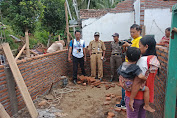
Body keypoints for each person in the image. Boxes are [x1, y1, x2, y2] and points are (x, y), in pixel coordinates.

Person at [125, 35, 160, 118]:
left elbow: (137, 81)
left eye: (140, 46)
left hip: (136, 95)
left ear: (146, 46)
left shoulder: (143, 61)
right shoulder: (154, 60)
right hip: (145, 97)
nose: (138, 48)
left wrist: (131, 99)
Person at [118, 47, 156, 113]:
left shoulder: (123, 64)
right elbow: (140, 76)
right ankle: (146, 105)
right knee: (146, 89)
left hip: (124, 84)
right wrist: (145, 78)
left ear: (126, 57)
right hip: (131, 86)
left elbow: (119, 72)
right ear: (139, 58)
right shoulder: (135, 67)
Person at [116, 24, 142, 108]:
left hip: (132, 66)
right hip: (128, 64)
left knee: (126, 84)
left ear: (139, 31)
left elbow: (138, 51)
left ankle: (125, 102)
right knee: (124, 84)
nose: (131, 34)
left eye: (133, 32)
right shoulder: (134, 40)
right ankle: (124, 101)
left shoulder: (140, 40)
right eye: (130, 32)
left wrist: (128, 45)